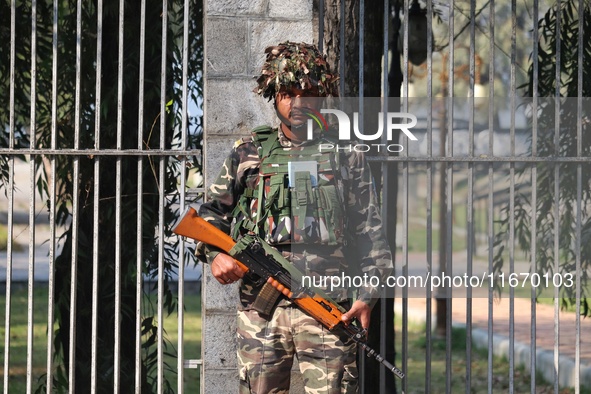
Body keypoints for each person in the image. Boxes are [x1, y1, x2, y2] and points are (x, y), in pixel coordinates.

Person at [196, 41, 393, 394]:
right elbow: (210, 214)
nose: (299, 103)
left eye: (308, 93)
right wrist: (216, 255)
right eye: (288, 93)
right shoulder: (248, 154)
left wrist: (367, 297)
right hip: (261, 309)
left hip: (328, 306)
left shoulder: (347, 156)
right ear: (274, 96)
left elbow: (372, 238)